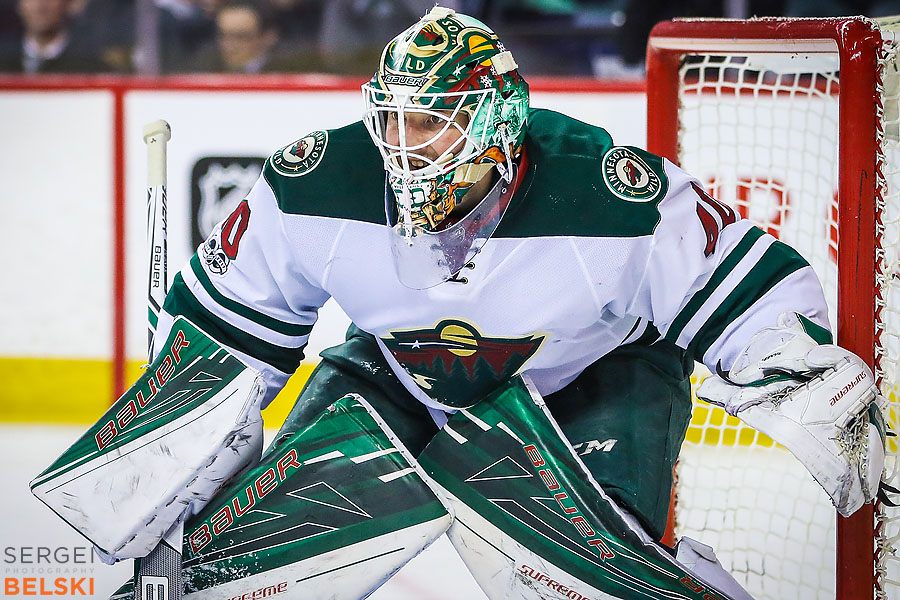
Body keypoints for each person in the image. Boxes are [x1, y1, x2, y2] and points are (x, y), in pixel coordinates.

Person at [149, 6, 888, 598]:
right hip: (400, 379)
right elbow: (229, 327)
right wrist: (174, 441)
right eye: (394, 118)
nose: (404, 147)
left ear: (495, 122)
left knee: (585, 576)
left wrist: (788, 363)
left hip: (590, 382)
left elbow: (735, 281)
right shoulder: (315, 185)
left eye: (432, 121)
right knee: (244, 564)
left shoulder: (605, 194)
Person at [0, 0, 106, 73]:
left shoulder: (90, 65)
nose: (40, 7)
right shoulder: (4, 61)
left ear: (69, 4)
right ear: (19, 5)